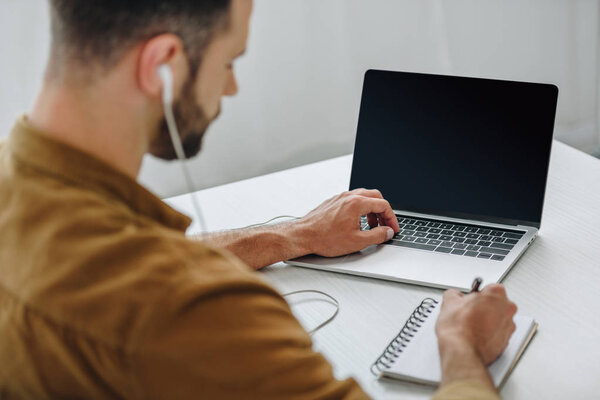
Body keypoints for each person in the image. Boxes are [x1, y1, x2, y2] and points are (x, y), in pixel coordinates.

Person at [0, 1, 517, 399]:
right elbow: (155, 286)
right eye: (229, 62)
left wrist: (294, 235)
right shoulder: (200, 313)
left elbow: (114, 269)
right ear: (161, 65)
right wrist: (460, 345)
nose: (231, 88)